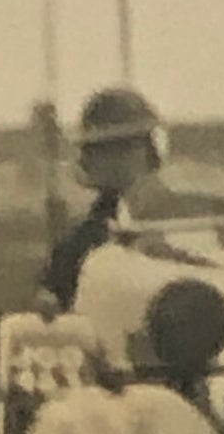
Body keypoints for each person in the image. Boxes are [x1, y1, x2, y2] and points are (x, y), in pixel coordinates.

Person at [36, 87, 168, 311]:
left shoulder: (189, 217)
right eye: (107, 149)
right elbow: (52, 309)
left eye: (131, 146)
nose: (122, 160)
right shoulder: (79, 245)